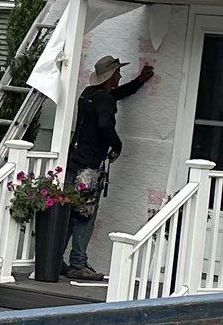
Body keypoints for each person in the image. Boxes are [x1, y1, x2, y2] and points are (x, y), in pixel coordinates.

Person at [62, 54, 154, 283]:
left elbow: (115, 94)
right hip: (89, 167)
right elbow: (105, 123)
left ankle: (56, 260)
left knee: (70, 212)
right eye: (118, 73)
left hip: (74, 160)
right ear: (110, 76)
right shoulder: (104, 99)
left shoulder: (89, 94)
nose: (120, 75)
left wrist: (138, 82)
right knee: (85, 214)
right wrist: (117, 144)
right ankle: (78, 264)